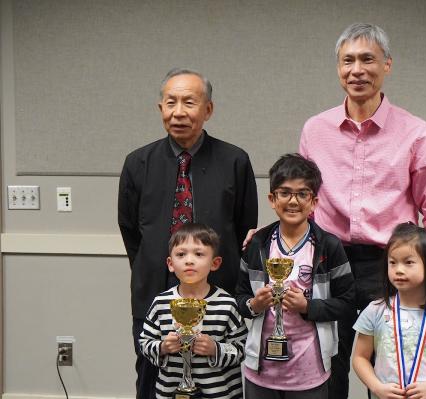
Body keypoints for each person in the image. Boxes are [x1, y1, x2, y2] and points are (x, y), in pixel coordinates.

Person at [298, 23, 426, 398]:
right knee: (325, 372)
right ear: (338, 68)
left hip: (390, 267)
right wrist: (271, 237)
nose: (357, 70)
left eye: (367, 59)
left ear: (387, 65)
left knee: (391, 377)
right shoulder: (315, 130)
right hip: (326, 264)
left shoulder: (416, 132)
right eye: (347, 61)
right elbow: (300, 203)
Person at [118, 68, 258, 398]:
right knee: (152, 378)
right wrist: (156, 267)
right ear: (160, 108)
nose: (178, 112)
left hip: (217, 294)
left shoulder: (235, 161)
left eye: (189, 102)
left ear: (207, 110)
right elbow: (130, 230)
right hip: (155, 290)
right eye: (171, 102)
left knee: (217, 378)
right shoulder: (138, 162)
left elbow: (243, 228)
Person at [236, 153, 355, 399]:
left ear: (314, 202)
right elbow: (239, 298)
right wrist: (254, 304)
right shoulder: (258, 244)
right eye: (285, 192)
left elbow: (347, 302)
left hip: (309, 373)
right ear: (272, 198)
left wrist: (308, 306)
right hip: (261, 372)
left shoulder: (329, 246)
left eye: (302, 194)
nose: (293, 201)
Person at [352, 223, 426, 399]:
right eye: (392, 262)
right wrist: (376, 387)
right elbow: (360, 358)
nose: (399, 270)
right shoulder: (374, 311)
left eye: (408, 262)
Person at [139, 223, 247, 398]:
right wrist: (163, 347)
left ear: (215, 263)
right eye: (181, 254)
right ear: (170, 263)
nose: (189, 260)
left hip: (219, 394)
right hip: (171, 392)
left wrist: (215, 349)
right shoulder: (161, 303)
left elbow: (242, 348)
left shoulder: (226, 304)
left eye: (198, 254)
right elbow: (145, 343)